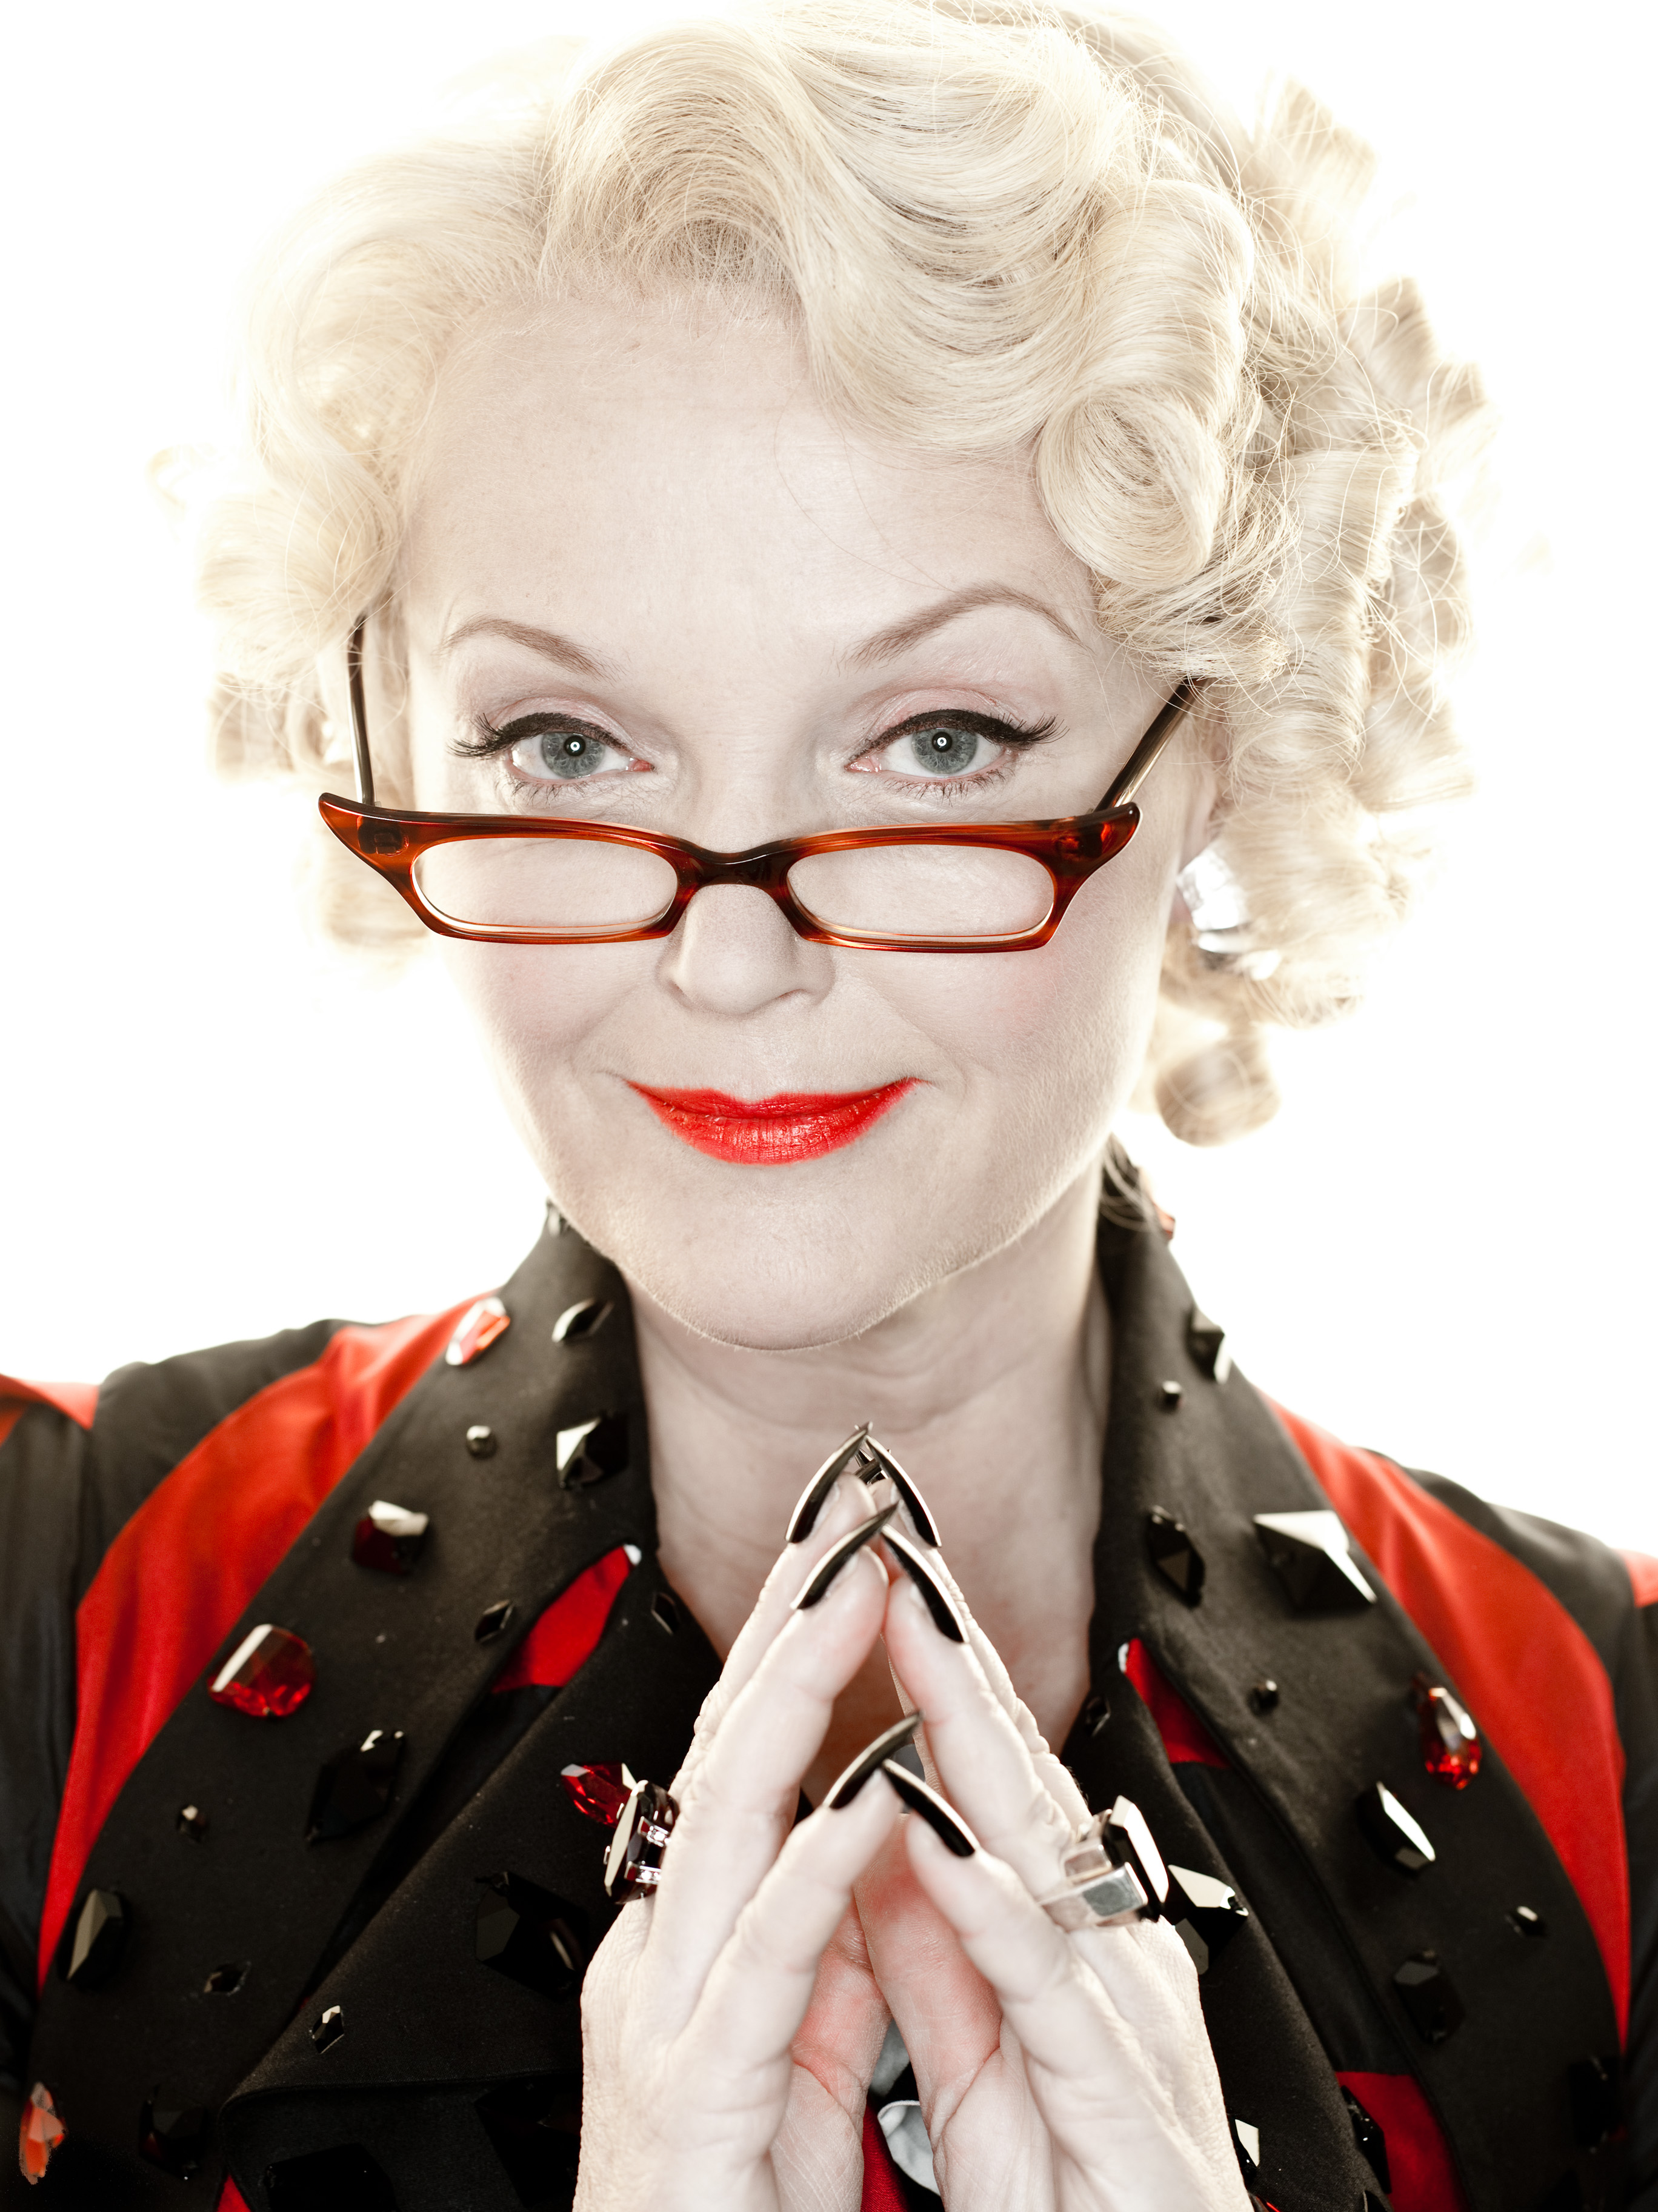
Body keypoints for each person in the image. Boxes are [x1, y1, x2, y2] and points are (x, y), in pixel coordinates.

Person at [2, 3, 1653, 2208]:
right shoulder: (48, 1597)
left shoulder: (1617, 1752)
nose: (730, 957)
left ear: (1223, 745)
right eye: (569, 745)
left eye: (941, 742)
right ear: (380, 745)